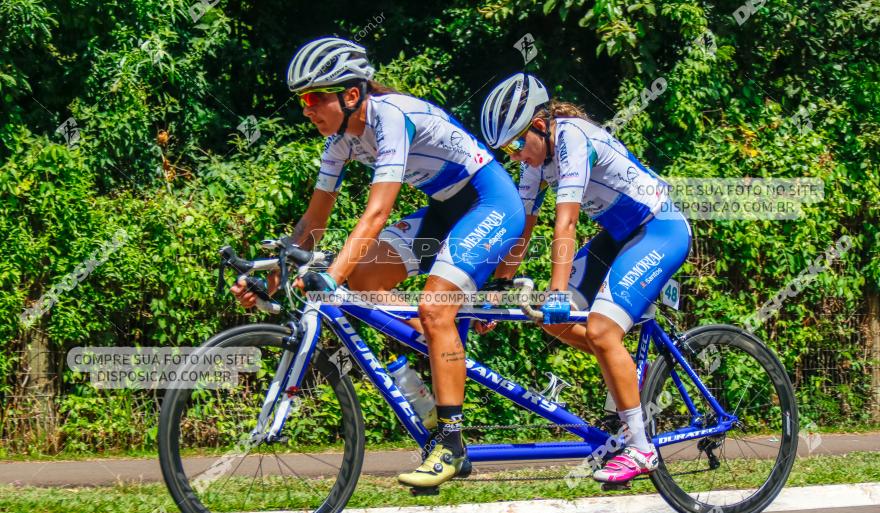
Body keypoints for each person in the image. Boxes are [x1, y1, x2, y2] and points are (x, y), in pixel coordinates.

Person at [231, 38, 526, 488]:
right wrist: (274, 278)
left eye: (314, 98)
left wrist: (330, 275)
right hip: (446, 210)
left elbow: (377, 213)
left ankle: (451, 444)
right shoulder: (340, 140)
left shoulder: (389, 117)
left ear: (351, 95)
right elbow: (313, 220)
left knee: (428, 304)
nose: (306, 109)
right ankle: (434, 347)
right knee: (364, 281)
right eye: (302, 101)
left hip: (491, 203)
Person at [479, 73, 692, 484]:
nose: (518, 155)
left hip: (658, 229)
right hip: (616, 237)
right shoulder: (538, 161)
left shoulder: (574, 137)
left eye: (519, 143)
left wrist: (559, 290)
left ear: (540, 127)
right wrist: (496, 290)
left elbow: (567, 221)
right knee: (550, 320)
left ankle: (641, 448)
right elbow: (522, 229)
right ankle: (627, 370)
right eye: (509, 149)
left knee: (598, 329)